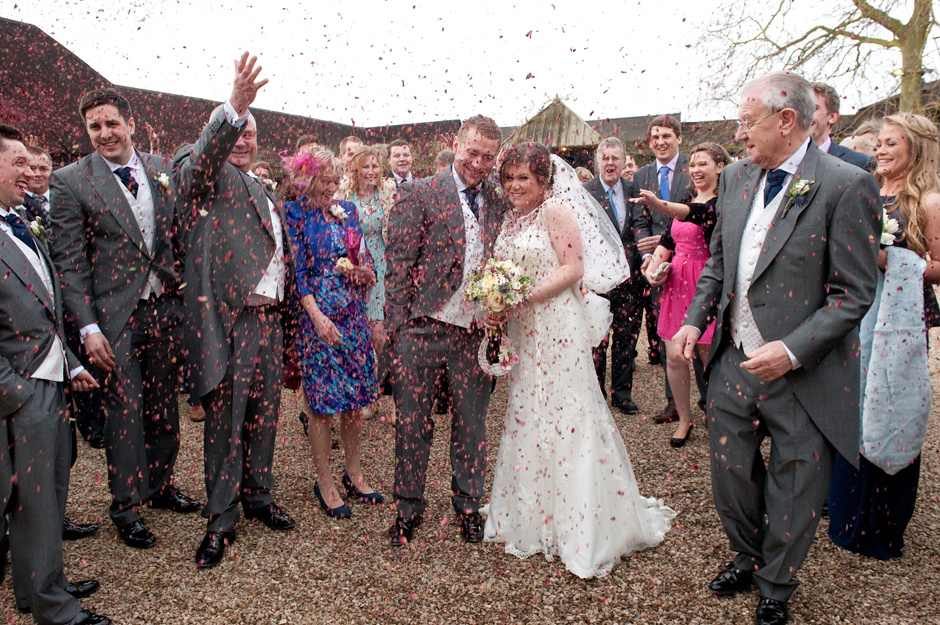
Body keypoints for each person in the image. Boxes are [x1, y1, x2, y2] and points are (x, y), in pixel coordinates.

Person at [672, 71, 881, 625]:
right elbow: (719, 265)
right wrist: (695, 321)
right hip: (733, 360)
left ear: (786, 120)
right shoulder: (738, 178)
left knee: (796, 478)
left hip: (803, 372)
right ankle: (748, 552)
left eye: (747, 122)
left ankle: (777, 582)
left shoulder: (845, 184)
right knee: (729, 469)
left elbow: (854, 293)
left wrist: (792, 350)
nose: (740, 135)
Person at [482, 142, 675, 577]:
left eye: (523, 178)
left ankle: (581, 520)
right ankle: (532, 512)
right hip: (524, 327)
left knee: (568, 409)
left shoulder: (556, 211)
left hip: (555, 322)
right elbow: (502, 269)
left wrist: (520, 297)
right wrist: (495, 299)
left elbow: (573, 269)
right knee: (528, 409)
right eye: (508, 178)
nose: (514, 186)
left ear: (543, 180)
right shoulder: (512, 219)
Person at [50, 87, 201, 551]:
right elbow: (71, 264)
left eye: (111, 123)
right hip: (114, 319)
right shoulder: (70, 181)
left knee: (163, 407)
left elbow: (177, 233)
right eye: (94, 126)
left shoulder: (160, 170)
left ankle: (159, 485)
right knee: (125, 413)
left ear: (130, 123)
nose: (104, 134)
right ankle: (126, 505)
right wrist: (90, 328)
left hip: (165, 310)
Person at [174, 52, 296, 569]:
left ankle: (258, 496)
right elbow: (196, 169)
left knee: (265, 416)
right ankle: (220, 519)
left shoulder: (264, 189)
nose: (243, 139)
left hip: (270, 321)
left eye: (250, 132)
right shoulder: (203, 170)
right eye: (236, 131)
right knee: (225, 425)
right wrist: (234, 107)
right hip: (232, 322)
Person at [0, 124, 110, 625]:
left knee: (46, 498)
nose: (30, 171)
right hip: (21, 394)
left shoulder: (20, 223)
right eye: (18, 162)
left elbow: (43, 310)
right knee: (34, 501)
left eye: (30, 162)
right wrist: (17, 392)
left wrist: (69, 365)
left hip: (52, 381)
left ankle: (38, 587)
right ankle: (54, 610)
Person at [384, 114, 510, 546]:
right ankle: (407, 506)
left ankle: (469, 505)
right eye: (472, 152)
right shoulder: (418, 192)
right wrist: (398, 330)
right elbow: (398, 267)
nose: (477, 163)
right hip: (421, 329)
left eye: (487, 157)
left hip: (474, 333)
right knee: (412, 423)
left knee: (472, 424)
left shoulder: (497, 199)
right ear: (456, 145)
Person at [827, 113, 940, 560]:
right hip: (854, 313)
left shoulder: (929, 200)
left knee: (890, 408)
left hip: (900, 323)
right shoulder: (866, 188)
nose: (882, 150)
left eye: (893, 143)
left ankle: (879, 526)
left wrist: (892, 260)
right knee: (850, 406)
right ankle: (844, 513)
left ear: (917, 148)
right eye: (880, 142)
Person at [282, 150, 382, 518]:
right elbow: (298, 274)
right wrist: (317, 318)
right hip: (318, 318)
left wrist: (365, 271)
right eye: (322, 180)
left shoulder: (349, 211)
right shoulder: (293, 214)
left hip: (353, 314)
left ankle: (353, 472)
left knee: (356, 400)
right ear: (305, 180)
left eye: (334, 180)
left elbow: (363, 256)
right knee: (322, 405)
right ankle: (324, 481)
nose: (330, 188)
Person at [640, 143, 730, 447]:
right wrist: (653, 268)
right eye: (692, 164)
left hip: (705, 280)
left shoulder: (721, 203)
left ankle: (719, 416)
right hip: (676, 282)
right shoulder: (685, 197)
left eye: (703, 163)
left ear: (720, 166)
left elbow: (696, 214)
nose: (696, 170)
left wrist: (659, 204)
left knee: (707, 357)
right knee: (675, 357)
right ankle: (683, 419)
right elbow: (667, 239)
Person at [26, 144, 109, 452]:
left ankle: (93, 424)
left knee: (86, 359)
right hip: (43, 298)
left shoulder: (68, 197)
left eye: (42, 167)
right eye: (30, 167)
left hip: (75, 294)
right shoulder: (18, 208)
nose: (36, 173)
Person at [633, 115, 699, 424]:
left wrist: (668, 240)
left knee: (703, 333)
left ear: (678, 138)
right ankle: (675, 404)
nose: (661, 141)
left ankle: (710, 401)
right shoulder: (643, 174)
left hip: (693, 259)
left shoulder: (694, 167)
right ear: (649, 142)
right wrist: (647, 258)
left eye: (667, 135)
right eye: (655, 136)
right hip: (659, 267)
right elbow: (639, 219)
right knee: (668, 338)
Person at [582, 137, 646, 414]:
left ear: (623, 161)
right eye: (605, 158)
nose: (610, 163)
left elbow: (641, 226)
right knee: (597, 341)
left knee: (626, 339)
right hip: (597, 281)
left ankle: (622, 394)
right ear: (597, 162)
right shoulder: (585, 191)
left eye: (615, 158)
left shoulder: (635, 190)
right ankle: (596, 398)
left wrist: (645, 260)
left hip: (630, 281)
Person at [342, 145, 397, 422]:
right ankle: (363, 394)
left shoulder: (386, 195)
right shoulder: (345, 197)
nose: (372, 171)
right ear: (356, 168)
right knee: (358, 335)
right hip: (354, 269)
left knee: (379, 335)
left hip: (381, 269)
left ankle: (383, 394)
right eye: (367, 166)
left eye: (376, 166)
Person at [809, 82, 876, 172]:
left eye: (813, 108)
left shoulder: (860, 163)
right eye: (801, 108)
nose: (804, 114)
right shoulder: (785, 159)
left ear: (832, 117)